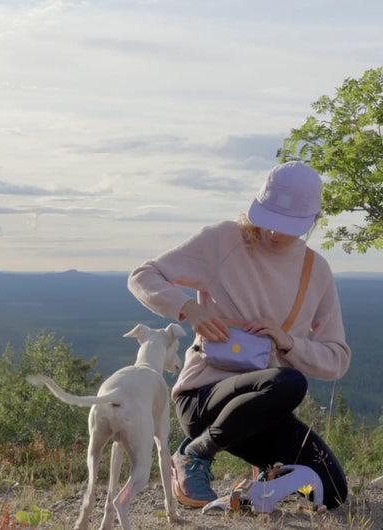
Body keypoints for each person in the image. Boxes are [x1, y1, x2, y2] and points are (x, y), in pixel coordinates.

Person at [127, 161, 351, 510]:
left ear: (311, 221)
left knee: (332, 491)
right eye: (269, 218)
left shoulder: (316, 271)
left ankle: (264, 481)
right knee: (290, 382)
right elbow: (143, 275)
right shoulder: (223, 240)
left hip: (263, 411)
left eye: (286, 225)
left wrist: (288, 342)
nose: (272, 231)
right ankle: (193, 454)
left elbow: (336, 359)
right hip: (203, 399)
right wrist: (189, 308)